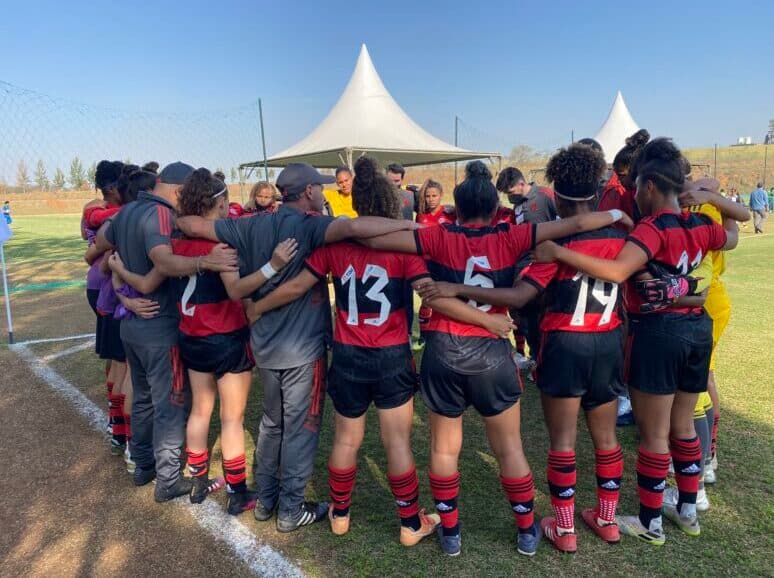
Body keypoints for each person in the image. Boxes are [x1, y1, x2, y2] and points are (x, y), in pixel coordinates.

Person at [358, 160, 631, 557]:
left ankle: (450, 534)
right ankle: (525, 530)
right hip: (491, 350)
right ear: (493, 207)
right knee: (509, 448)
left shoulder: (435, 236)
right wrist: (616, 213)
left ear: (457, 206)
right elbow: (571, 225)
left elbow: (371, 239)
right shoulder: (512, 235)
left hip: (444, 351)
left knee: (443, 450)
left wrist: (400, 224)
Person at [246, 157, 514, 546]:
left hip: (348, 355)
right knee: (397, 443)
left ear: (357, 205)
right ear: (392, 206)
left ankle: (340, 513)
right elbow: (433, 296)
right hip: (390, 354)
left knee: (345, 440)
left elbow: (294, 287)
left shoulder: (334, 246)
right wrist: (484, 319)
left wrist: (257, 305)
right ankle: (410, 522)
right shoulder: (406, 250)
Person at [176, 162, 422, 533]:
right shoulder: (312, 225)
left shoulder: (248, 223)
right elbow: (356, 227)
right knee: (301, 429)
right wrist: (411, 224)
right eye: (319, 189)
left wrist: (182, 221)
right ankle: (291, 508)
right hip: (303, 350)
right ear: (308, 192)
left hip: (263, 346)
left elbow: (191, 225)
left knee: (271, 423)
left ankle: (266, 500)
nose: (324, 193)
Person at [534, 138, 743, 545]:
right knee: (682, 426)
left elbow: (615, 272)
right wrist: (711, 196)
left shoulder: (651, 229)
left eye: (636, 187)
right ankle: (686, 510)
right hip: (698, 328)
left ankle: (649, 521)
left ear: (648, 186)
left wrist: (560, 252)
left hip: (657, 334)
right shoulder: (702, 224)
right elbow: (736, 229)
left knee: (653, 435)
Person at [109, 169, 299, 515]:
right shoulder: (219, 245)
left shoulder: (176, 244)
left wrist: (120, 279)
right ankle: (238, 491)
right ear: (222, 203)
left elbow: (156, 274)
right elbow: (236, 290)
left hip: (191, 338)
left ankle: (197, 479)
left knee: (199, 410)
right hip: (225, 338)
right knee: (231, 419)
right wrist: (272, 266)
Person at [97, 161, 239, 503]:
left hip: (132, 326)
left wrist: (123, 294)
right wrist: (205, 263)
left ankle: (143, 465)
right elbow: (163, 261)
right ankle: (169, 480)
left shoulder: (126, 211)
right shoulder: (161, 216)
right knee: (170, 404)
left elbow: (105, 259)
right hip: (159, 327)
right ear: (176, 190)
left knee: (144, 398)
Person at [597, 130, 651, 221]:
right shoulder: (625, 195)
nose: (618, 180)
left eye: (621, 176)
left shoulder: (649, 200)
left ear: (635, 171)